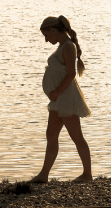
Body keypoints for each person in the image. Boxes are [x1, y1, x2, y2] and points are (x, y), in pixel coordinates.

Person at [29, 15, 92, 183]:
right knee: (51, 135)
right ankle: (43, 175)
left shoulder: (68, 47)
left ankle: (87, 174)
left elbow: (71, 74)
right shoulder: (63, 47)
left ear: (53, 30)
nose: (46, 40)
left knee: (76, 136)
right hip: (58, 99)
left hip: (65, 97)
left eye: (46, 36)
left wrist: (56, 92)